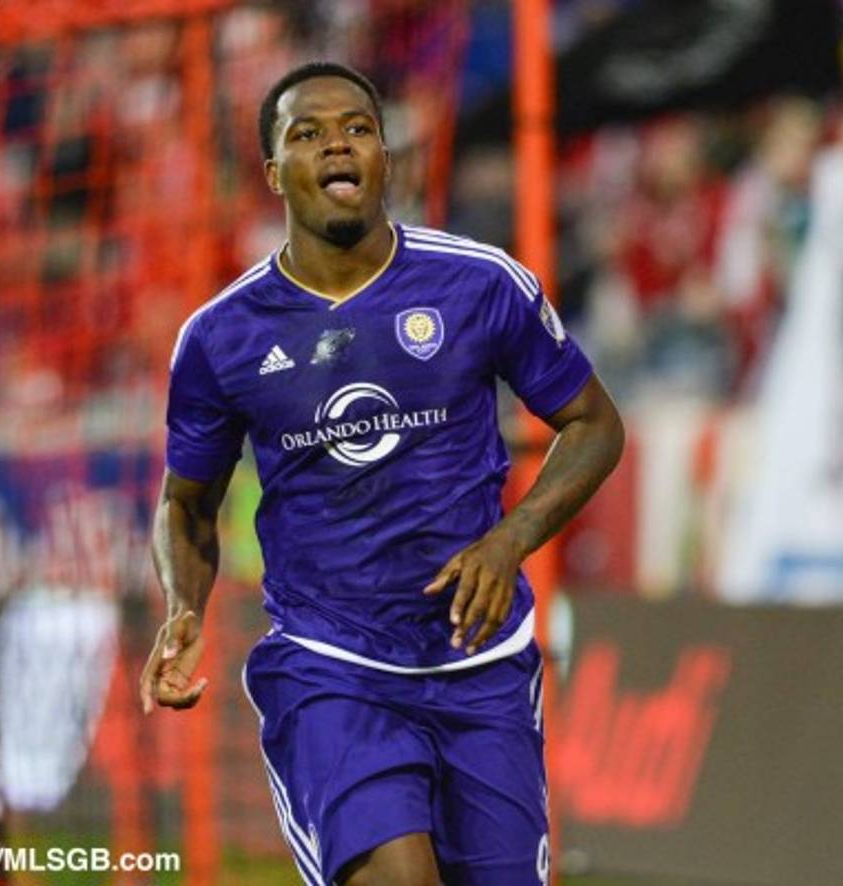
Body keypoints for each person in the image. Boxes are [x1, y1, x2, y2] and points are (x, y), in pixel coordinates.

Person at [139, 61, 624, 885]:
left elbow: (595, 425)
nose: (338, 143)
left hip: (480, 666)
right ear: (274, 174)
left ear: (386, 158)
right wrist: (186, 605)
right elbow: (187, 506)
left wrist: (510, 540)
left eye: (358, 128)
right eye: (309, 132)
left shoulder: (479, 284)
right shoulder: (221, 338)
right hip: (331, 667)